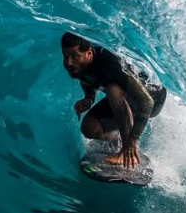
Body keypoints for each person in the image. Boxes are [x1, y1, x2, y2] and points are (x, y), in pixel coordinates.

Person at [61, 32, 167, 168]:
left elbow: (147, 101)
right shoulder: (80, 64)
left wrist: (133, 139)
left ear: (89, 53)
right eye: (65, 56)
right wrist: (89, 98)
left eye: (74, 56)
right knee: (89, 128)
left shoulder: (111, 63)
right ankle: (116, 141)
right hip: (126, 100)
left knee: (113, 89)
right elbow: (88, 78)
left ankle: (127, 150)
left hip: (153, 98)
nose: (68, 62)